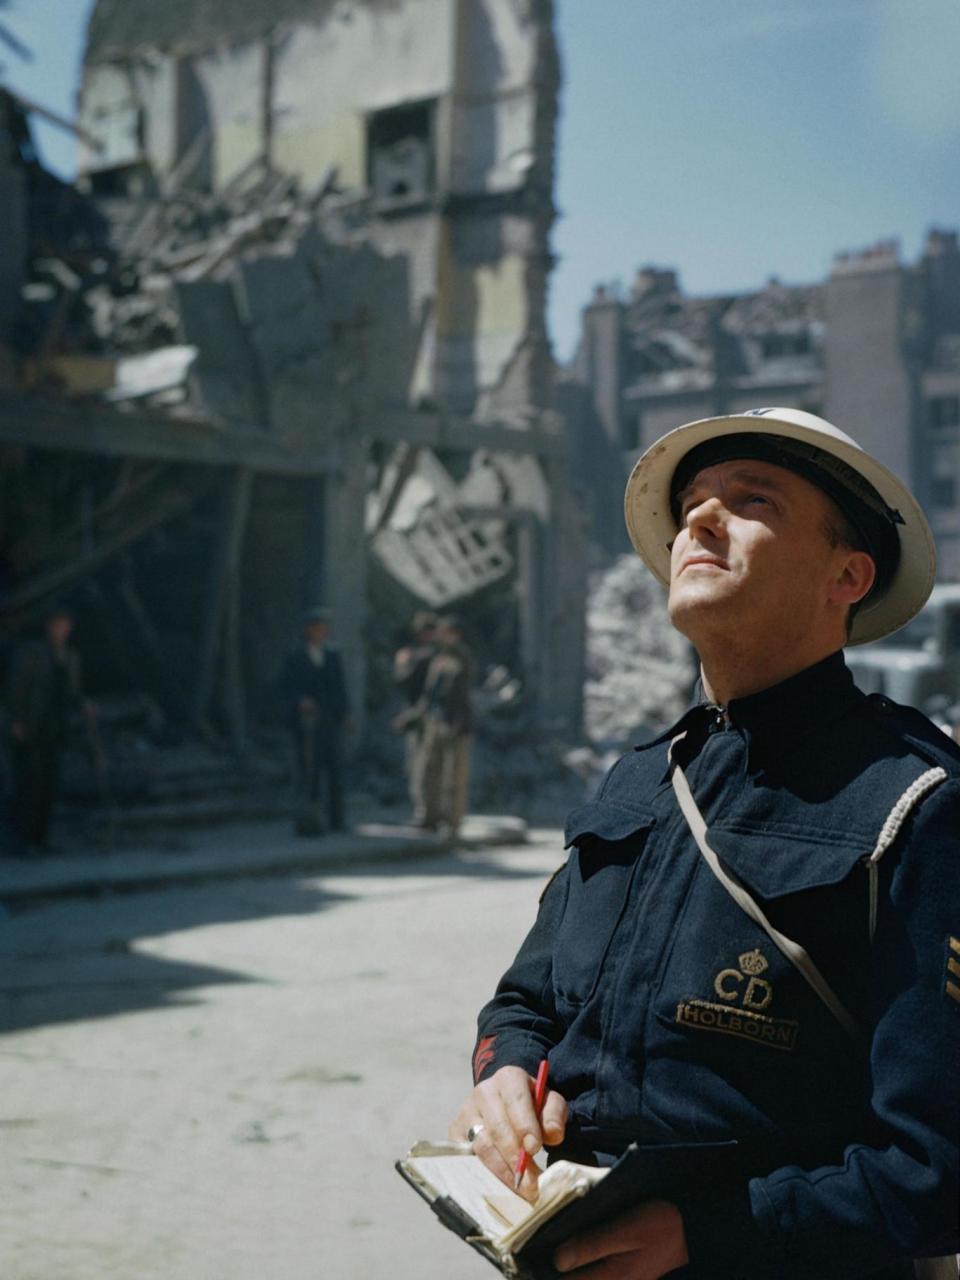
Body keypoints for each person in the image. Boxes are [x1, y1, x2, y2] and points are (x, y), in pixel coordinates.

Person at [449, 408, 960, 1280]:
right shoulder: (638, 782)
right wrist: (506, 1076)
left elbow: (937, 1171)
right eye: (691, 502)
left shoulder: (919, 803)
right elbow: (523, 1004)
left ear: (848, 573)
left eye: (751, 499)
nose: (699, 519)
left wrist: (710, 1231)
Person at [6, 603, 91, 851]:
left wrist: (84, 705)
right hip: (32, 724)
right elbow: (17, 688)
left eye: (64, 625)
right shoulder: (32, 653)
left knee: (49, 784)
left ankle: (42, 838)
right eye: (56, 624)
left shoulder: (71, 657)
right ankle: (24, 838)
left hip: (55, 728)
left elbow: (72, 692)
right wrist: (17, 720)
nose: (61, 629)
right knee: (29, 782)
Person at [397, 615, 473, 836]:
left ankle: (452, 822)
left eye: (444, 632)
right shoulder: (437, 658)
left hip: (455, 722)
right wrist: (412, 716)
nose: (439, 636)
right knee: (427, 770)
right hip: (434, 721)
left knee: (454, 775)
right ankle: (430, 816)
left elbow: (459, 690)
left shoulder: (461, 656)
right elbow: (429, 695)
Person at [279, 606, 350, 833]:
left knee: (335, 770)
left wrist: (345, 713)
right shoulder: (295, 656)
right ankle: (310, 820)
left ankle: (337, 820)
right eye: (317, 628)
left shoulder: (332, 655)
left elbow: (340, 688)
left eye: (324, 629)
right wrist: (300, 700)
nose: (321, 632)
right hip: (307, 723)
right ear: (309, 630)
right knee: (309, 771)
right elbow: (285, 687)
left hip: (330, 720)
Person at [392, 610, 438, 825]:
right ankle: (422, 809)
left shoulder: (437, 655)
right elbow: (402, 683)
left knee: (431, 766)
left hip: (433, 716)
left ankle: (431, 811)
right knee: (416, 764)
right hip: (415, 715)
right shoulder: (411, 654)